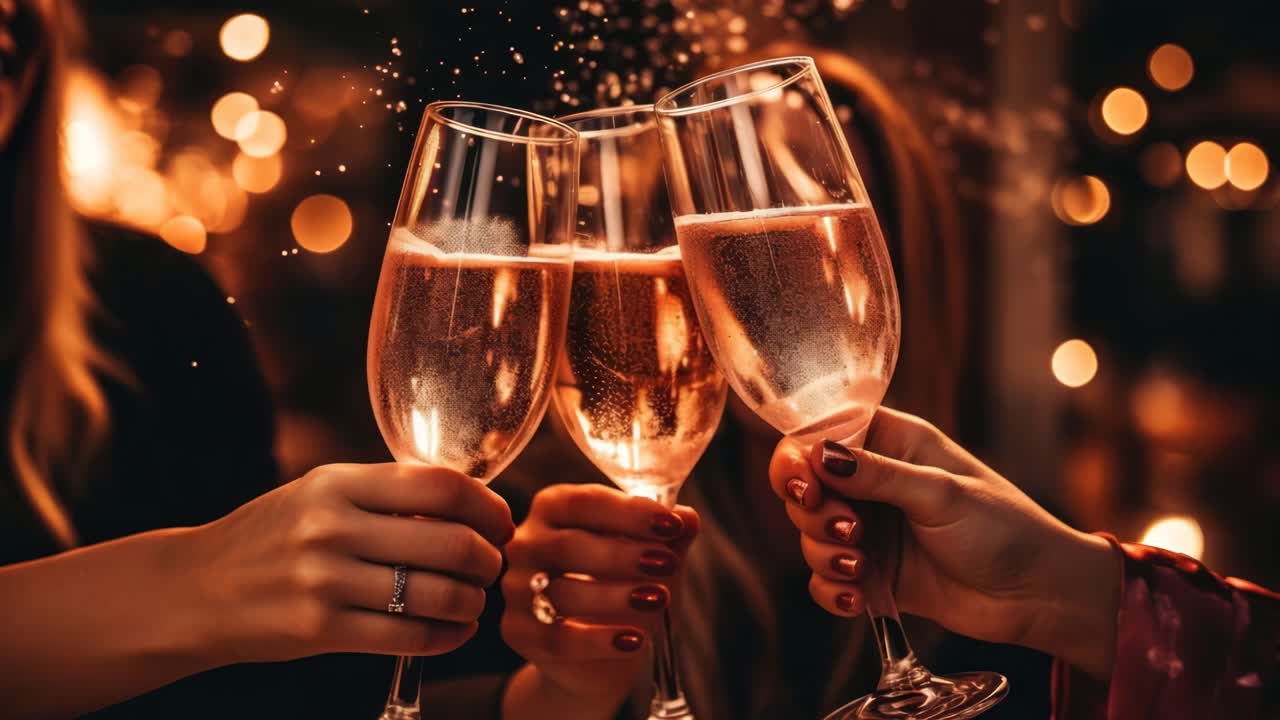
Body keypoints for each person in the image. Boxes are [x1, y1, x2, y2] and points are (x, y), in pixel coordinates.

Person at [470, 52, 1280, 720]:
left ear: (890, 259)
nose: (768, 259)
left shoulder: (1011, 571)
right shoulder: (564, 555)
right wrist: (555, 697)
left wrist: (1083, 595)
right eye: (733, 206)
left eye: (808, 195)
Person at [0, 2, 515, 717]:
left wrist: (539, 698)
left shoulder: (150, 304)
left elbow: (258, 697)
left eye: (3, 52)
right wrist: (197, 583)